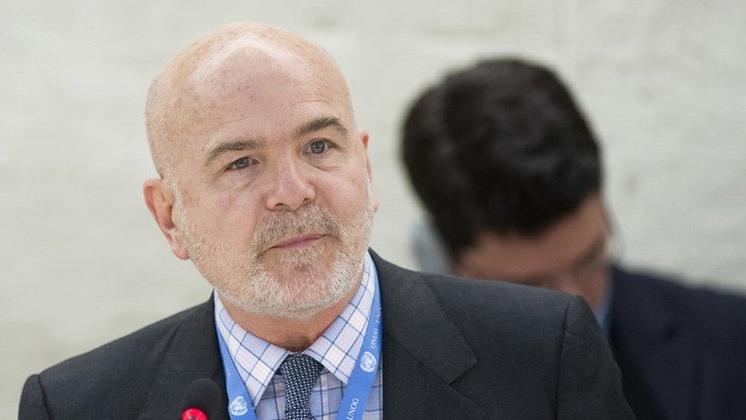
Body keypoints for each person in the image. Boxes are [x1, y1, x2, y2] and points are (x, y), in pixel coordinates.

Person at [19, 24, 632, 419]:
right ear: (170, 216)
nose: (293, 193)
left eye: (318, 147)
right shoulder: (76, 406)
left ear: (363, 164)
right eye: (241, 163)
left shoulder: (541, 352)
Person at [401, 57, 746, 420]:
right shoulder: (389, 390)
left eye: (589, 259)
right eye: (530, 286)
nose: (575, 302)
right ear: (444, 260)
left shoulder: (731, 344)